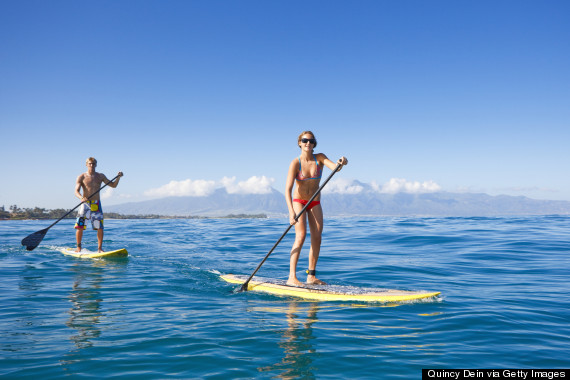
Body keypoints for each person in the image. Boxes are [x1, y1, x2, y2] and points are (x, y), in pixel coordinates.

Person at [285, 131, 348, 286]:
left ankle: (311, 276)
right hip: (299, 201)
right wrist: (291, 213)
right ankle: (291, 277)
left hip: (315, 202)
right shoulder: (295, 163)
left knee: (317, 237)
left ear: (314, 143)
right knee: (300, 236)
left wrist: (341, 162)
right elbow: (287, 189)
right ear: (299, 143)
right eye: (305, 140)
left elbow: (335, 168)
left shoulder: (319, 158)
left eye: (311, 141)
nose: (308, 143)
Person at [74, 157, 123, 252]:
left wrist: (118, 178)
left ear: (96, 165)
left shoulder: (100, 176)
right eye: (90, 163)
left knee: (99, 227)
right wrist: (81, 197)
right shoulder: (81, 177)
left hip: (96, 204)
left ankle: (100, 248)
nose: (91, 165)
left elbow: (113, 185)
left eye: (93, 163)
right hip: (85, 204)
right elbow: (76, 191)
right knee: (80, 227)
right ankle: (78, 247)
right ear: (86, 164)